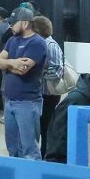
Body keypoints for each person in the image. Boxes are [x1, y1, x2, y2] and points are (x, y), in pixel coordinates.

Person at [0, 6, 48, 160]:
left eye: (13, 23)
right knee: (13, 149)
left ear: (25, 24)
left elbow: (22, 69)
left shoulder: (37, 43)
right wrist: (13, 62)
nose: (10, 26)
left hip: (27, 103)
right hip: (9, 101)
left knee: (29, 150)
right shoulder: (12, 40)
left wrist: (7, 64)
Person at [33, 15, 66, 159]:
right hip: (41, 94)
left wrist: (38, 72)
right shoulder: (41, 44)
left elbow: (57, 71)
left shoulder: (50, 45)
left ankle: (46, 154)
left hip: (49, 95)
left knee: (46, 128)